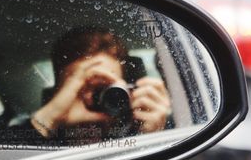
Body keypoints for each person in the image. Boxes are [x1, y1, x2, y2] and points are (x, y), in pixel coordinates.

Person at [30, 26, 171, 142]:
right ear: (57, 93)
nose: (90, 100)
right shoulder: (45, 126)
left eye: (103, 89)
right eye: (76, 89)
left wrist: (149, 136)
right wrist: (46, 119)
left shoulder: (130, 131)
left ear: (126, 92)